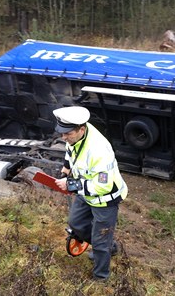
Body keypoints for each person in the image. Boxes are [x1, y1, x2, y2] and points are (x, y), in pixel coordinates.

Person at [53, 106, 128, 281]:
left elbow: (103, 186)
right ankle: (111, 247)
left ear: (81, 129)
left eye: (67, 134)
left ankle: (101, 278)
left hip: (105, 199)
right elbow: (71, 152)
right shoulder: (74, 135)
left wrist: (70, 184)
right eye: (61, 133)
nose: (64, 137)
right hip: (85, 192)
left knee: (100, 242)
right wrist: (66, 170)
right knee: (75, 223)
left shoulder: (99, 150)